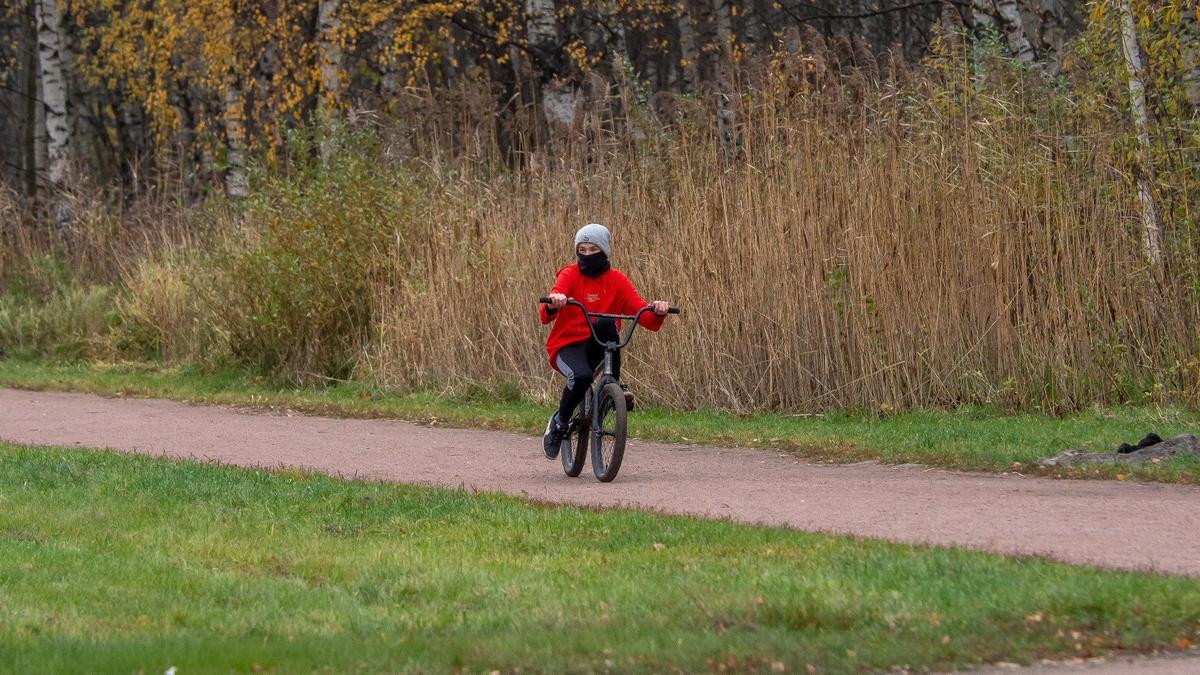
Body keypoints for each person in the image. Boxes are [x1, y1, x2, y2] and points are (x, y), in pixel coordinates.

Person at [538, 223, 670, 459]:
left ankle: (612, 387)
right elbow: (545, 313)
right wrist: (555, 301)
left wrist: (658, 311)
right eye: (582, 250)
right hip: (567, 345)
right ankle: (559, 422)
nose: (587, 255)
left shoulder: (617, 280)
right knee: (581, 376)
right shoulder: (569, 274)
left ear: (605, 251)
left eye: (593, 249)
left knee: (606, 324)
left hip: (598, 344)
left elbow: (644, 316)